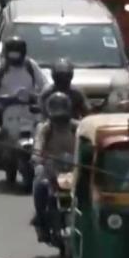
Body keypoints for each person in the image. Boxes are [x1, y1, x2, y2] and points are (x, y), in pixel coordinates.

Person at [31, 92, 78, 242]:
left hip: (73, 170)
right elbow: (38, 144)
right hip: (51, 170)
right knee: (39, 185)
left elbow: (88, 143)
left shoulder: (77, 127)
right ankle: (41, 221)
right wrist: (37, 158)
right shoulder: (45, 128)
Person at [0, 36, 46, 101]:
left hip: (27, 108)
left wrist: (43, 95)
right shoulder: (0, 68)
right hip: (6, 108)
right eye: (12, 56)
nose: (14, 60)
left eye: (17, 56)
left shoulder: (30, 66)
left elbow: (45, 83)